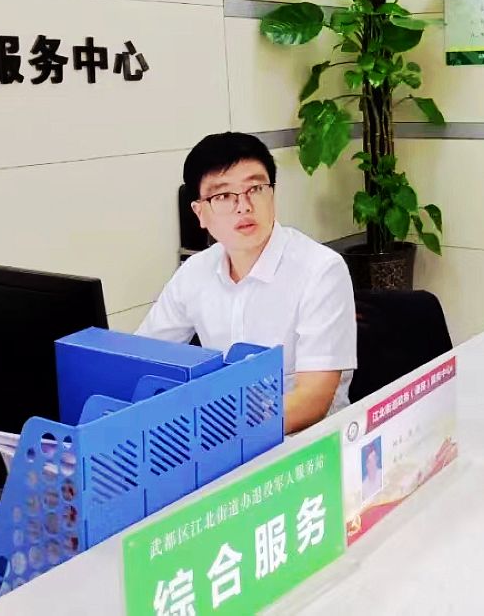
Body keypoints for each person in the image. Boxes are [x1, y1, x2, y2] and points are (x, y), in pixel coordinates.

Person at [137, 132, 357, 433]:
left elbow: (312, 401)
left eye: (255, 189)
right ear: (200, 213)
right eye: (223, 196)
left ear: (272, 194)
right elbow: (144, 360)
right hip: (224, 438)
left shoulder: (321, 270)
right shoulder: (195, 272)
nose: (243, 206)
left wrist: (219, 432)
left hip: (307, 442)